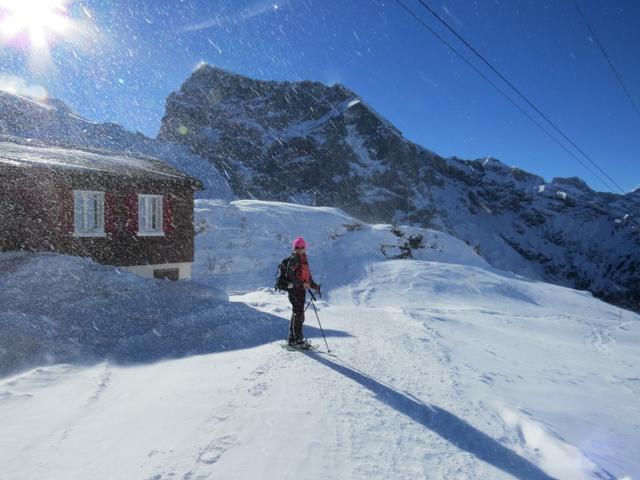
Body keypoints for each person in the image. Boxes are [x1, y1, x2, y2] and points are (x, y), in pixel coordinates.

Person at [286, 236, 319, 347]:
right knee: (299, 314)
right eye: (297, 247)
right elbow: (290, 275)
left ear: (305, 248)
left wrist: (314, 285)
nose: (300, 249)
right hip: (294, 290)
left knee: (298, 313)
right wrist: (301, 284)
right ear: (294, 248)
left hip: (301, 290)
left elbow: (307, 276)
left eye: (302, 247)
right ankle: (297, 341)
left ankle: (292, 339)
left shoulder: (304, 259)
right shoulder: (294, 259)